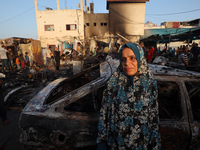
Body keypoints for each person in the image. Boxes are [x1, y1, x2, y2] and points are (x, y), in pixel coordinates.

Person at [97, 43, 160, 150]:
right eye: (123, 59)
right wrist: (101, 141)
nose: (127, 63)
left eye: (132, 58)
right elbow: (104, 114)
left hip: (141, 145)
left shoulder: (149, 84)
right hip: (116, 145)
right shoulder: (113, 84)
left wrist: (155, 145)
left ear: (140, 58)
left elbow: (154, 119)